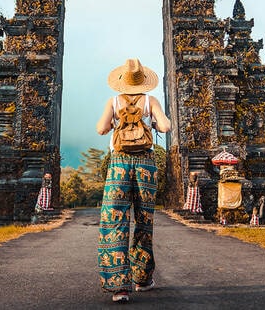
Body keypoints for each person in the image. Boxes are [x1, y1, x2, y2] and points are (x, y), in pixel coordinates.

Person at [96, 59, 171, 302]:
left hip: (118, 163)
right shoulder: (150, 101)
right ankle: (142, 278)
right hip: (146, 165)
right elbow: (167, 126)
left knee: (114, 219)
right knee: (143, 220)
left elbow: (100, 129)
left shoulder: (114, 102)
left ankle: (119, 287)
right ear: (143, 80)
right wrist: (155, 121)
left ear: (122, 82)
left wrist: (112, 126)